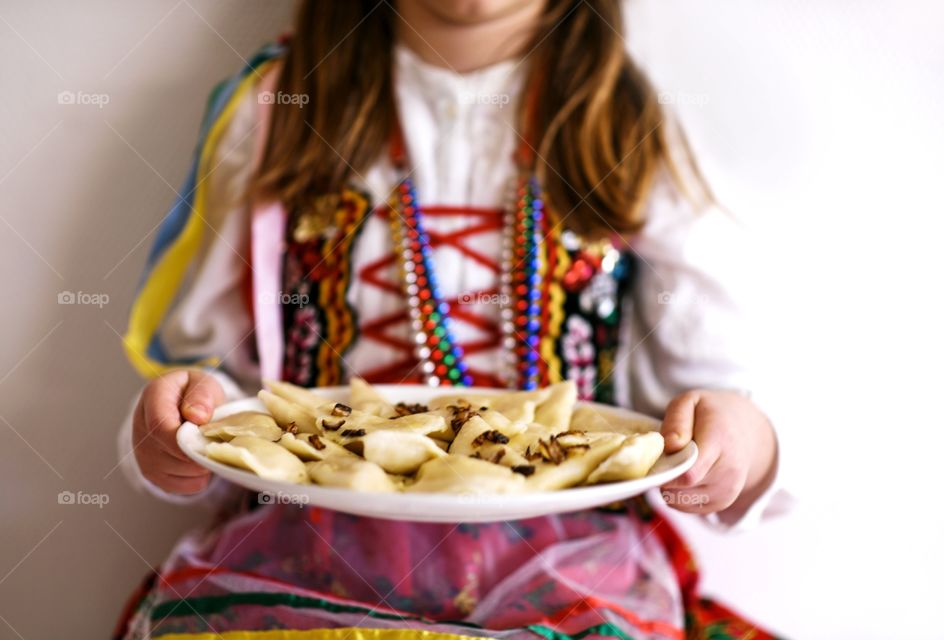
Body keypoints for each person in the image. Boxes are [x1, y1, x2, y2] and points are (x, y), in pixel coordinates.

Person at [115, 2, 787, 638]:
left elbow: (713, 398)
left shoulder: (627, 124)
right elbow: (214, 380)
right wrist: (183, 425)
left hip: (569, 566)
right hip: (306, 547)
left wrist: (739, 444)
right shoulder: (279, 111)